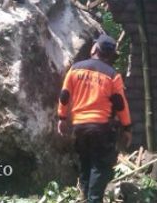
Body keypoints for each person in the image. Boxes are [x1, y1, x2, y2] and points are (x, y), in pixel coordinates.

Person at [57, 34, 132, 203]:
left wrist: (62, 117)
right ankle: (94, 199)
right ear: (110, 54)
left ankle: (86, 196)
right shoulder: (113, 75)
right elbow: (121, 105)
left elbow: (64, 95)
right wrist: (127, 128)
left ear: (94, 49)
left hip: (79, 127)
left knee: (85, 161)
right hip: (101, 128)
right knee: (100, 165)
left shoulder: (75, 69)